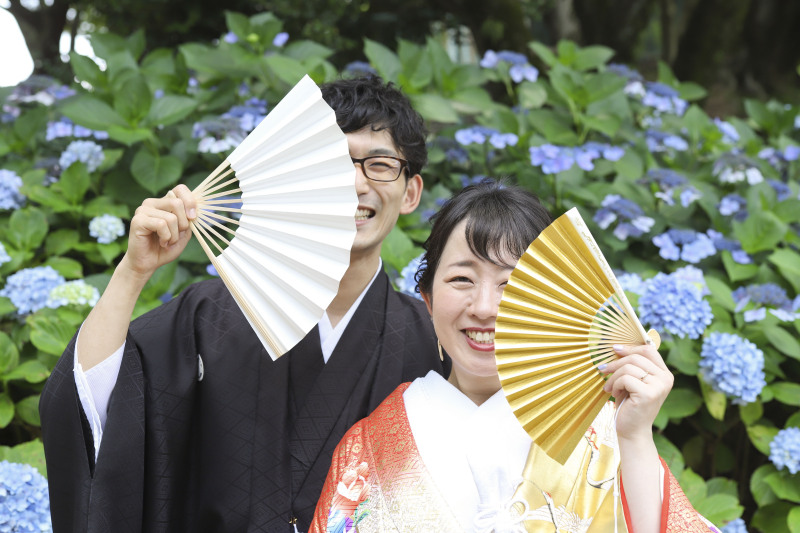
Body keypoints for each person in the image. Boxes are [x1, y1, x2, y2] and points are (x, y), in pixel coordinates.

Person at [39, 76, 448, 533]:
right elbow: (95, 408)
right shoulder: (211, 315)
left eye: (379, 164)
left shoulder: (429, 341)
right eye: (334, 161)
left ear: (410, 192)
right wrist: (133, 272)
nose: (354, 183)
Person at [311, 181, 720, 533]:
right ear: (428, 300)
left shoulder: (604, 434)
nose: (485, 307)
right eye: (461, 279)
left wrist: (635, 437)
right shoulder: (369, 444)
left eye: (512, 284)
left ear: (551, 304)